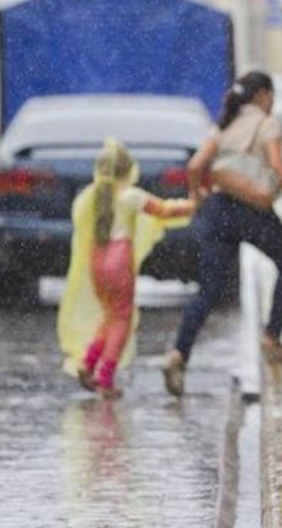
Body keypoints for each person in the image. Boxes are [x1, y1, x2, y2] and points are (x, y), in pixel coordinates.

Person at [162, 71, 282, 397]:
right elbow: (278, 166)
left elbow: (195, 166)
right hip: (253, 212)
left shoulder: (223, 126)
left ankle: (179, 353)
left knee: (208, 290)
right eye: (271, 95)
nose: (273, 101)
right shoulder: (266, 124)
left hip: (218, 209)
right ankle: (272, 337)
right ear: (262, 95)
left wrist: (197, 198)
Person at [58, 138, 196, 399]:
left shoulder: (94, 197)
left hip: (97, 259)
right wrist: (195, 204)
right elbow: (164, 210)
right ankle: (105, 377)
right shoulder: (132, 196)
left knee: (109, 316)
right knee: (122, 319)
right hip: (120, 260)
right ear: (127, 170)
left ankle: (88, 364)